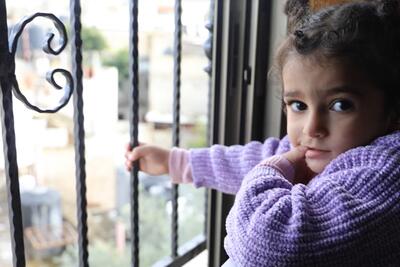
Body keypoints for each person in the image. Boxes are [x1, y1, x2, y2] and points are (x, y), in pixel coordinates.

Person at [125, 0, 400, 266]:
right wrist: (177, 162)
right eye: (298, 105)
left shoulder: (385, 171)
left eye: (340, 105)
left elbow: (267, 245)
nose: (312, 128)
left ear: (391, 109)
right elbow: (250, 159)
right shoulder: (330, 149)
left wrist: (271, 168)